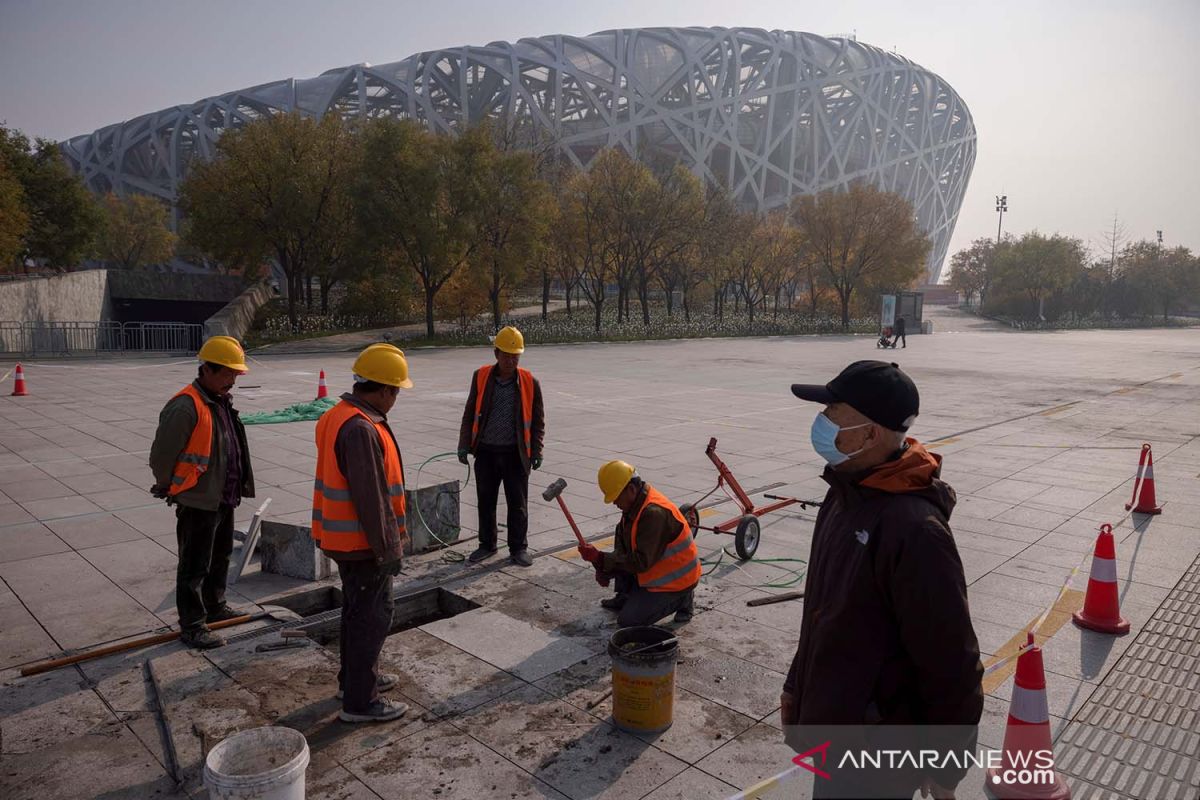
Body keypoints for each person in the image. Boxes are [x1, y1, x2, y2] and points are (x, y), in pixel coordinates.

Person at [782, 361, 982, 798]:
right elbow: (824, 611)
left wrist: (947, 764)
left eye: (833, 412)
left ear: (871, 434)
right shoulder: (845, 494)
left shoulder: (915, 531)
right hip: (840, 733)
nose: (821, 422)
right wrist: (799, 688)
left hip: (878, 750)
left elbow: (952, 662)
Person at [312, 344, 412, 723]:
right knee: (372, 617)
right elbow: (371, 498)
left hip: (343, 539)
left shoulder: (339, 415)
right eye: (396, 391)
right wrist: (389, 551)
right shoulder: (360, 428)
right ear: (384, 389)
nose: (396, 399)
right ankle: (361, 702)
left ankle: (352, 681)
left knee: (356, 614)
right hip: (362, 544)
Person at [149, 336, 255, 650]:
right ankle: (193, 624)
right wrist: (171, 486)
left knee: (219, 556)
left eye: (236, 376)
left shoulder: (218, 401)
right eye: (227, 374)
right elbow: (162, 456)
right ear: (206, 370)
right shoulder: (185, 406)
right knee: (194, 564)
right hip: (198, 499)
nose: (232, 381)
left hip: (222, 496)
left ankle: (215, 605)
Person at [457, 326, 545, 568]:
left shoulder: (529, 381)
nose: (511, 360)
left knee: (518, 504)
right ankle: (487, 544)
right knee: (485, 501)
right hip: (485, 452)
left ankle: (519, 548)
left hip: (516, 454)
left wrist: (536, 451)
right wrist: (464, 444)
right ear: (496, 353)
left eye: (515, 355)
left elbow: (537, 421)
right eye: (506, 355)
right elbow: (469, 413)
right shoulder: (481, 376)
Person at [579, 460, 701, 626]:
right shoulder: (634, 504)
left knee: (629, 621)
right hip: (655, 570)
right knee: (621, 531)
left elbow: (640, 562)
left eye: (616, 497)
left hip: (676, 581)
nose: (614, 503)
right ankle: (625, 595)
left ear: (631, 489)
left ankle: (683, 600)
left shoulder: (653, 513)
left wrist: (601, 558)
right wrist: (604, 568)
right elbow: (624, 548)